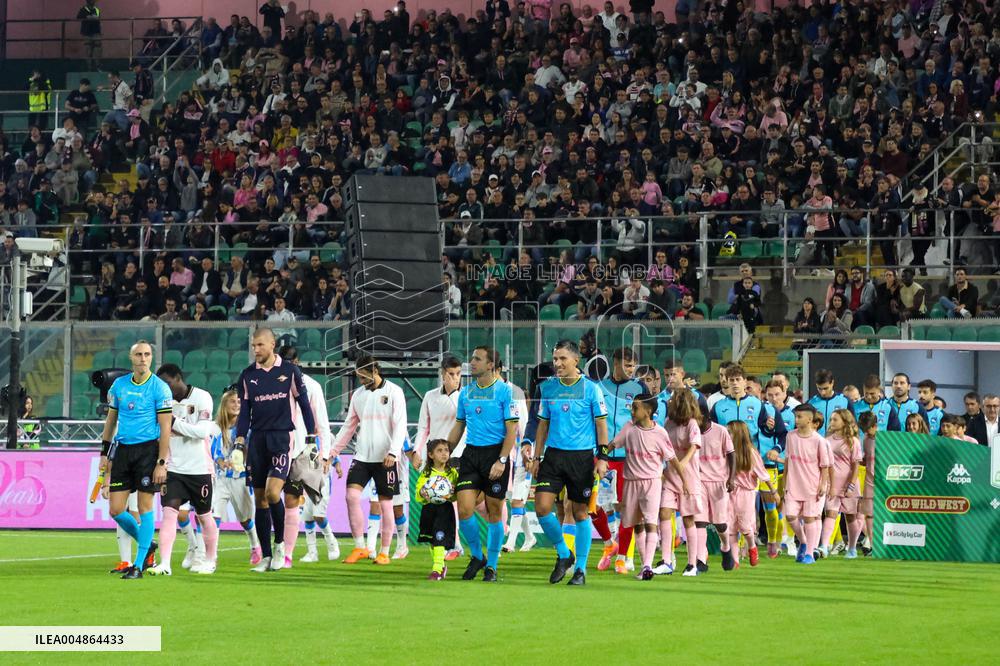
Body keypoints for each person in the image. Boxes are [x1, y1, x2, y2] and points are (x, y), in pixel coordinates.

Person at [523, 339, 609, 586]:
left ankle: (580, 569)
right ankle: (564, 553)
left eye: (562, 359)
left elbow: (601, 425)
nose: (557, 363)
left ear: (575, 361)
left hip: (581, 457)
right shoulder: (548, 388)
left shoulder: (591, 389)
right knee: (541, 507)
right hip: (553, 456)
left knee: (581, 512)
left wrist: (602, 458)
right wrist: (537, 456)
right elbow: (542, 425)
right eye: (555, 359)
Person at [234, 328, 318, 572]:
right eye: (253, 345)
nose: (256, 349)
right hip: (257, 440)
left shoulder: (290, 371)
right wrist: (240, 441)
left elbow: (304, 404)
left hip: (282, 438)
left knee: (273, 494)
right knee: (259, 499)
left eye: (260, 345)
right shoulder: (248, 375)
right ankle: (267, 557)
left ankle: (281, 545)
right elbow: (244, 413)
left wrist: (312, 437)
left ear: (272, 344)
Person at [99, 340, 174, 579]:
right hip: (123, 451)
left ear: (152, 358)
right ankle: (147, 542)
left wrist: (162, 462)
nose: (143, 358)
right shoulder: (119, 386)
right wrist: (104, 452)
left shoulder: (160, 388)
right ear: (131, 358)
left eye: (147, 354)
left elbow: (165, 428)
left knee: (144, 507)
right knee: (116, 509)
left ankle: (139, 565)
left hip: (148, 452)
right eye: (139, 354)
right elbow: (111, 421)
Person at [445, 346, 518, 582]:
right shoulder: (466, 393)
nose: (472, 362)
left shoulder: (505, 392)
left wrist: (502, 460)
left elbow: (512, 430)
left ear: (490, 365)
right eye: (472, 357)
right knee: (465, 508)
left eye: (477, 359)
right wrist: (445, 451)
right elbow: (459, 426)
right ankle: (477, 555)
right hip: (471, 454)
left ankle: (492, 565)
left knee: (495, 511)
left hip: (495, 454)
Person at [331, 354, 407, 565]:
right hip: (362, 456)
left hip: (386, 458)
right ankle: (360, 547)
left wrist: (394, 452)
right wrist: (332, 452)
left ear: (375, 371)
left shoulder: (394, 392)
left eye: (364, 377)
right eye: (359, 377)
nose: (362, 381)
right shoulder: (358, 396)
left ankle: (384, 552)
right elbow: (349, 427)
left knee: (386, 504)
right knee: (351, 497)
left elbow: (400, 425)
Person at [147, 365, 218, 575]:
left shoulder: (202, 397)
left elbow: (202, 432)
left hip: (199, 468)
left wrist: (173, 422)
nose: (165, 389)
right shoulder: (162, 402)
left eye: (168, 383)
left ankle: (210, 560)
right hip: (173, 468)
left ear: (179, 378)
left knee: (204, 516)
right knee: (169, 514)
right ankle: (165, 564)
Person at [279, 345, 339, 565]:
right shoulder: (275, 385)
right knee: (291, 504)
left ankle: (329, 543)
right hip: (281, 451)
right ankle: (297, 552)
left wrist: (324, 456)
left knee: (315, 506)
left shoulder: (311, 387)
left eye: (288, 363)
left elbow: (322, 424)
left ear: (296, 362)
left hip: (307, 453)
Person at [607, 393, 677, 581]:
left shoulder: (660, 432)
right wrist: (601, 456)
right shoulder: (629, 428)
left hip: (652, 482)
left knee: (650, 522)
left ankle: (647, 565)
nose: (631, 411)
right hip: (630, 482)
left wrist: (683, 481)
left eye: (635, 407)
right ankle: (643, 564)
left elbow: (672, 458)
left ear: (648, 411)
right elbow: (613, 444)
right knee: (636, 524)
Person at [598, 347, 646, 574]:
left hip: (628, 459)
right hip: (602, 458)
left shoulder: (639, 389)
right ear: (615, 363)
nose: (630, 370)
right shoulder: (598, 388)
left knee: (627, 509)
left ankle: (622, 556)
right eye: (627, 365)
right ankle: (609, 543)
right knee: (592, 506)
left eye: (633, 366)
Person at [415, 356, 465, 560]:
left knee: (451, 501)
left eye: (459, 374)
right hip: (434, 456)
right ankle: (448, 543)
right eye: (451, 374)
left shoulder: (465, 397)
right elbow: (423, 427)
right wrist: (417, 451)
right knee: (436, 500)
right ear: (442, 374)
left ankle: (455, 543)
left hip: (458, 455)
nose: (455, 378)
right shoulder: (430, 396)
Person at [209, 389, 262, 565]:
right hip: (222, 479)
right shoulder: (217, 427)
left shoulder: (247, 427)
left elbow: (254, 449)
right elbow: (214, 450)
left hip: (241, 479)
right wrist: (220, 461)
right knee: (214, 515)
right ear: (224, 405)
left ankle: (255, 546)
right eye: (232, 402)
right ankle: (211, 555)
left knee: (245, 519)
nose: (236, 405)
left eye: (239, 402)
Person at [661, 389, 704, 576]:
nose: (669, 402)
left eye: (672, 400)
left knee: (688, 519)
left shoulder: (692, 424)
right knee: (664, 512)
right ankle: (666, 560)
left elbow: (694, 446)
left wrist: (682, 464)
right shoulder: (668, 423)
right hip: (670, 476)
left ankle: (692, 563)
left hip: (689, 477)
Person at [783, 404, 831, 565]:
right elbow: (788, 460)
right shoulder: (790, 436)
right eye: (795, 416)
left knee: (810, 518)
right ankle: (803, 541)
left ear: (810, 419)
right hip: (793, 485)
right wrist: (785, 482)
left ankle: (809, 553)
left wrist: (823, 485)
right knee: (790, 515)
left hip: (812, 486)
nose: (796, 420)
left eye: (799, 417)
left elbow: (824, 466)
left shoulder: (819, 441)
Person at [728, 420, 775, 568]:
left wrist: (773, 490)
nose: (727, 435)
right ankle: (734, 560)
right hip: (729, 492)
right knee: (730, 527)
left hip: (746, 493)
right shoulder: (726, 451)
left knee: (745, 526)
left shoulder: (751, 453)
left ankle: (752, 547)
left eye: (729, 432)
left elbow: (762, 473)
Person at [819, 409, 862, 560]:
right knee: (830, 514)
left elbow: (855, 466)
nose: (832, 422)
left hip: (849, 484)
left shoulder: (853, 441)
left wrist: (851, 485)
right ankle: (824, 546)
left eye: (835, 419)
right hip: (832, 484)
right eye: (831, 419)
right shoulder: (827, 440)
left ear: (844, 421)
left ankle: (852, 548)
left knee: (850, 517)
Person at [698, 404, 736, 570]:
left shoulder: (721, 431)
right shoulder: (691, 432)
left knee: (720, 523)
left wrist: (731, 478)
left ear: (706, 417)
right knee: (700, 522)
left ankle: (726, 547)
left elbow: (731, 454)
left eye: (697, 417)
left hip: (719, 481)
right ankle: (701, 559)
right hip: (698, 481)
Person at [415, 439, 459, 580]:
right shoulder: (426, 474)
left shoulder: (452, 473)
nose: (444, 454)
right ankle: (442, 566)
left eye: (446, 450)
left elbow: (456, 495)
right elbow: (418, 493)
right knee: (432, 540)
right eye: (439, 451)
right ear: (431, 455)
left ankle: (437, 568)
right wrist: (422, 492)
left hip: (444, 510)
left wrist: (453, 493)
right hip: (429, 510)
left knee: (440, 537)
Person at [758, 379, 793, 557]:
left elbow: (787, 437)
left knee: (781, 506)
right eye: (770, 395)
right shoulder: (762, 411)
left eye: (777, 394)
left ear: (784, 393)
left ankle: (783, 539)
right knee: (769, 506)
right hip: (765, 464)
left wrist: (779, 451)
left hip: (785, 466)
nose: (773, 398)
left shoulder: (793, 414)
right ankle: (774, 541)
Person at [807, 369, 854, 435]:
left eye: (825, 388)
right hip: (816, 443)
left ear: (832, 383)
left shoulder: (845, 401)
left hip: (838, 442)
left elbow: (853, 424)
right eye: (819, 388)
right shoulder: (810, 403)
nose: (823, 392)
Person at [857, 412, 878, 556]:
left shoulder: (885, 440)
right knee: (868, 514)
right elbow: (867, 458)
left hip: (883, 482)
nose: (866, 432)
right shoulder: (865, 438)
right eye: (864, 430)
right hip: (869, 480)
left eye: (868, 429)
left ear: (875, 426)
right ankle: (871, 543)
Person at [77, 0, 102, 70]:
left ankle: (98, 67)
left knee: (98, 49)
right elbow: (78, 17)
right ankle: (89, 67)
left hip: (96, 32)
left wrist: (92, 18)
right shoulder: (83, 9)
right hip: (87, 33)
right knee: (88, 50)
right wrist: (87, 17)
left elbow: (98, 18)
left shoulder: (96, 10)